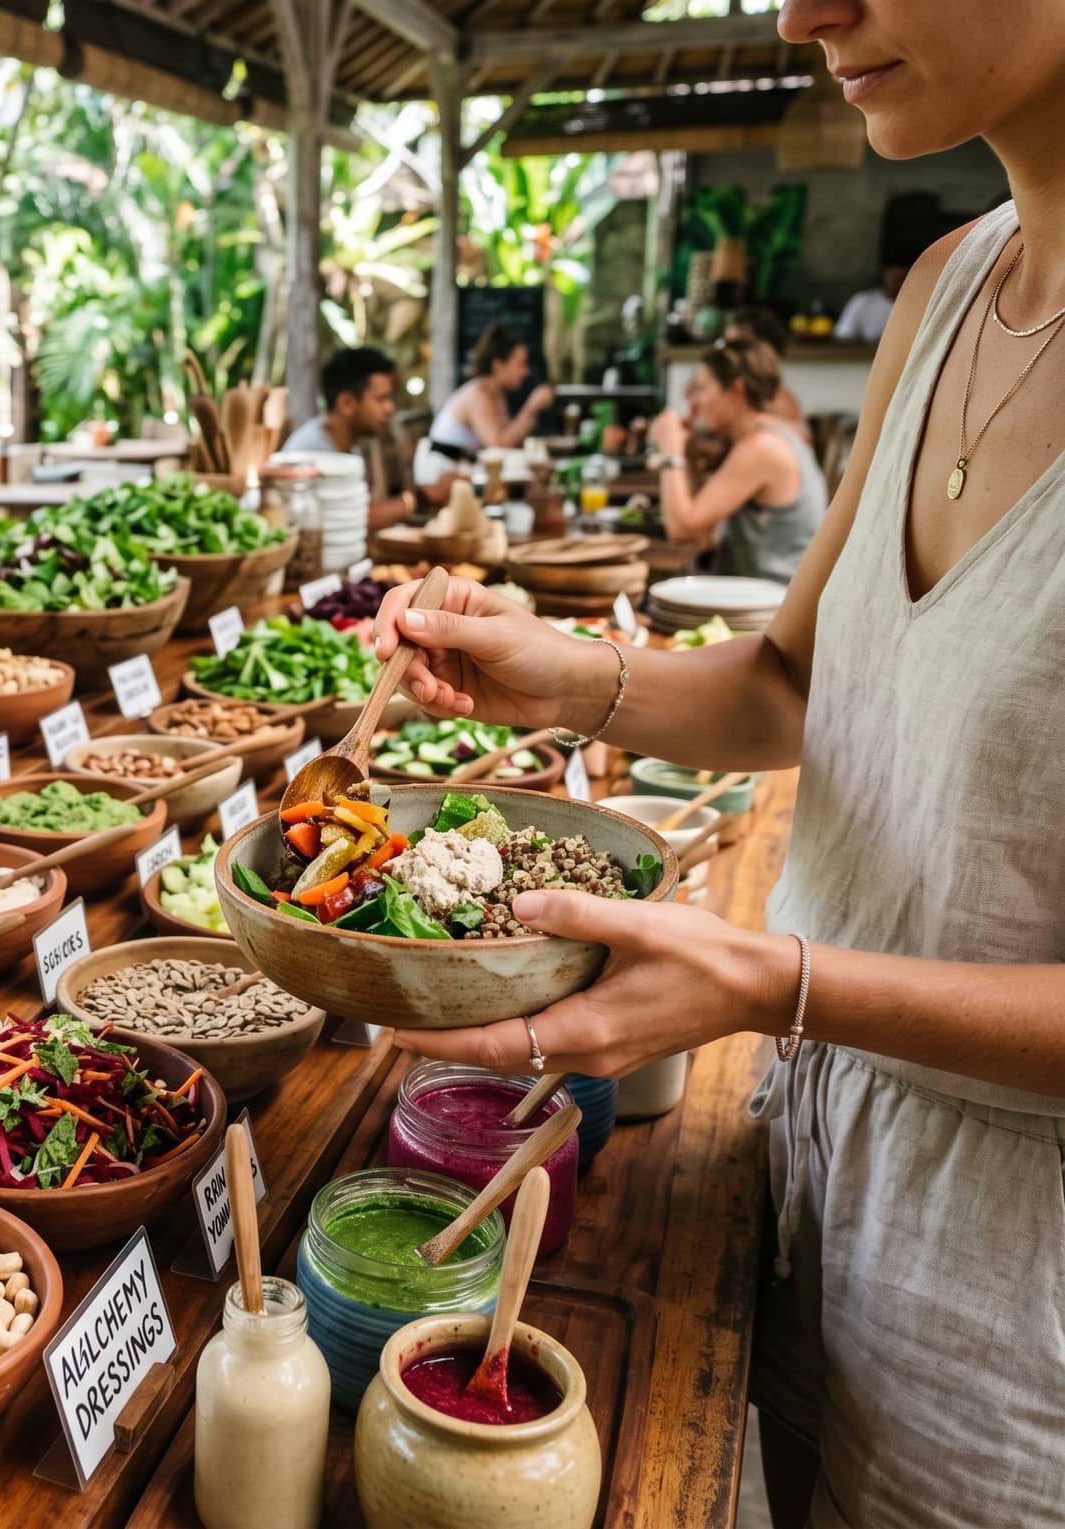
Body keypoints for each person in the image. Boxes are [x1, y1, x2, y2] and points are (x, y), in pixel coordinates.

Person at [370, 1, 1065, 1524]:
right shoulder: (953, 289)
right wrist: (570, 675)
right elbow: (799, 682)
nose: (806, 10)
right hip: (817, 1175)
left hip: (1022, 1305)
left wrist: (779, 981)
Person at [650, 337, 828, 582]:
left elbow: (681, 530)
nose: (694, 402)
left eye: (702, 388)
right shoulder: (764, 437)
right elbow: (702, 532)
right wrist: (688, 455)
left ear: (736, 390)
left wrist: (671, 448)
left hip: (770, 604)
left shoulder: (762, 448)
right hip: (754, 594)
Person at [412, 324, 557, 499]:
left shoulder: (496, 394)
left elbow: (510, 442)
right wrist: (531, 408)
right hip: (442, 477)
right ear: (498, 366)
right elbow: (497, 446)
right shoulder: (477, 395)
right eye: (521, 364)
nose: (525, 372)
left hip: (464, 472)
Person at [282, 346, 417, 529]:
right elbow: (344, 520)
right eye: (380, 399)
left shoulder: (350, 446)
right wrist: (411, 502)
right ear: (346, 403)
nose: (389, 408)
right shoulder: (311, 452)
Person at [725, 306, 809, 432]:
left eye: (737, 346)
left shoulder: (779, 404)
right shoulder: (732, 396)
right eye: (725, 344)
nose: (725, 353)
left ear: (769, 352)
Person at [833, 262, 909, 342]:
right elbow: (844, 334)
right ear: (884, 275)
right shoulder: (863, 301)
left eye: (905, 277)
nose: (901, 282)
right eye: (897, 278)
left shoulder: (917, 306)